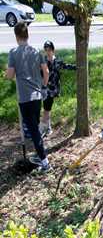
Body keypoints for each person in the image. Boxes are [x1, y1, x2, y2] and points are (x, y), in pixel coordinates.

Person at [5, 23, 50, 172]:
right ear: (27, 35)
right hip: (37, 97)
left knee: (34, 131)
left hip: (25, 99)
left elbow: (10, 75)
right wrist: (43, 86)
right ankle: (40, 155)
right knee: (35, 128)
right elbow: (46, 72)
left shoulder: (13, 52)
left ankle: (45, 163)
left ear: (16, 36)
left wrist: (7, 73)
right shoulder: (37, 51)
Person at [40, 40, 76, 137]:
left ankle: (46, 128)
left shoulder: (57, 61)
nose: (48, 52)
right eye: (46, 50)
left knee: (47, 109)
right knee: (46, 109)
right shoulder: (43, 62)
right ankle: (42, 129)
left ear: (53, 50)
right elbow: (39, 74)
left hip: (54, 89)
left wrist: (77, 67)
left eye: (49, 49)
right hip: (46, 89)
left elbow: (66, 66)